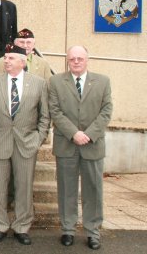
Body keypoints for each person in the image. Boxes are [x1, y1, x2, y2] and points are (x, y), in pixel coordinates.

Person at [0, 44, 50, 246]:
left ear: (22, 61)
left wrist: (38, 138)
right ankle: (0, 225)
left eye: (10, 58)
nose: (6, 61)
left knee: (24, 187)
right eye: (5, 58)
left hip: (26, 143)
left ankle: (21, 226)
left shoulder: (39, 84)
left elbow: (45, 116)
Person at [49, 46, 112, 250]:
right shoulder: (56, 81)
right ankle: (68, 229)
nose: (76, 62)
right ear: (67, 60)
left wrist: (89, 134)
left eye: (80, 58)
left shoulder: (102, 81)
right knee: (66, 190)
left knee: (93, 189)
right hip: (67, 143)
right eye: (72, 59)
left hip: (92, 144)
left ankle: (93, 231)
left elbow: (106, 110)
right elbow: (55, 111)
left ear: (87, 60)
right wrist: (74, 133)